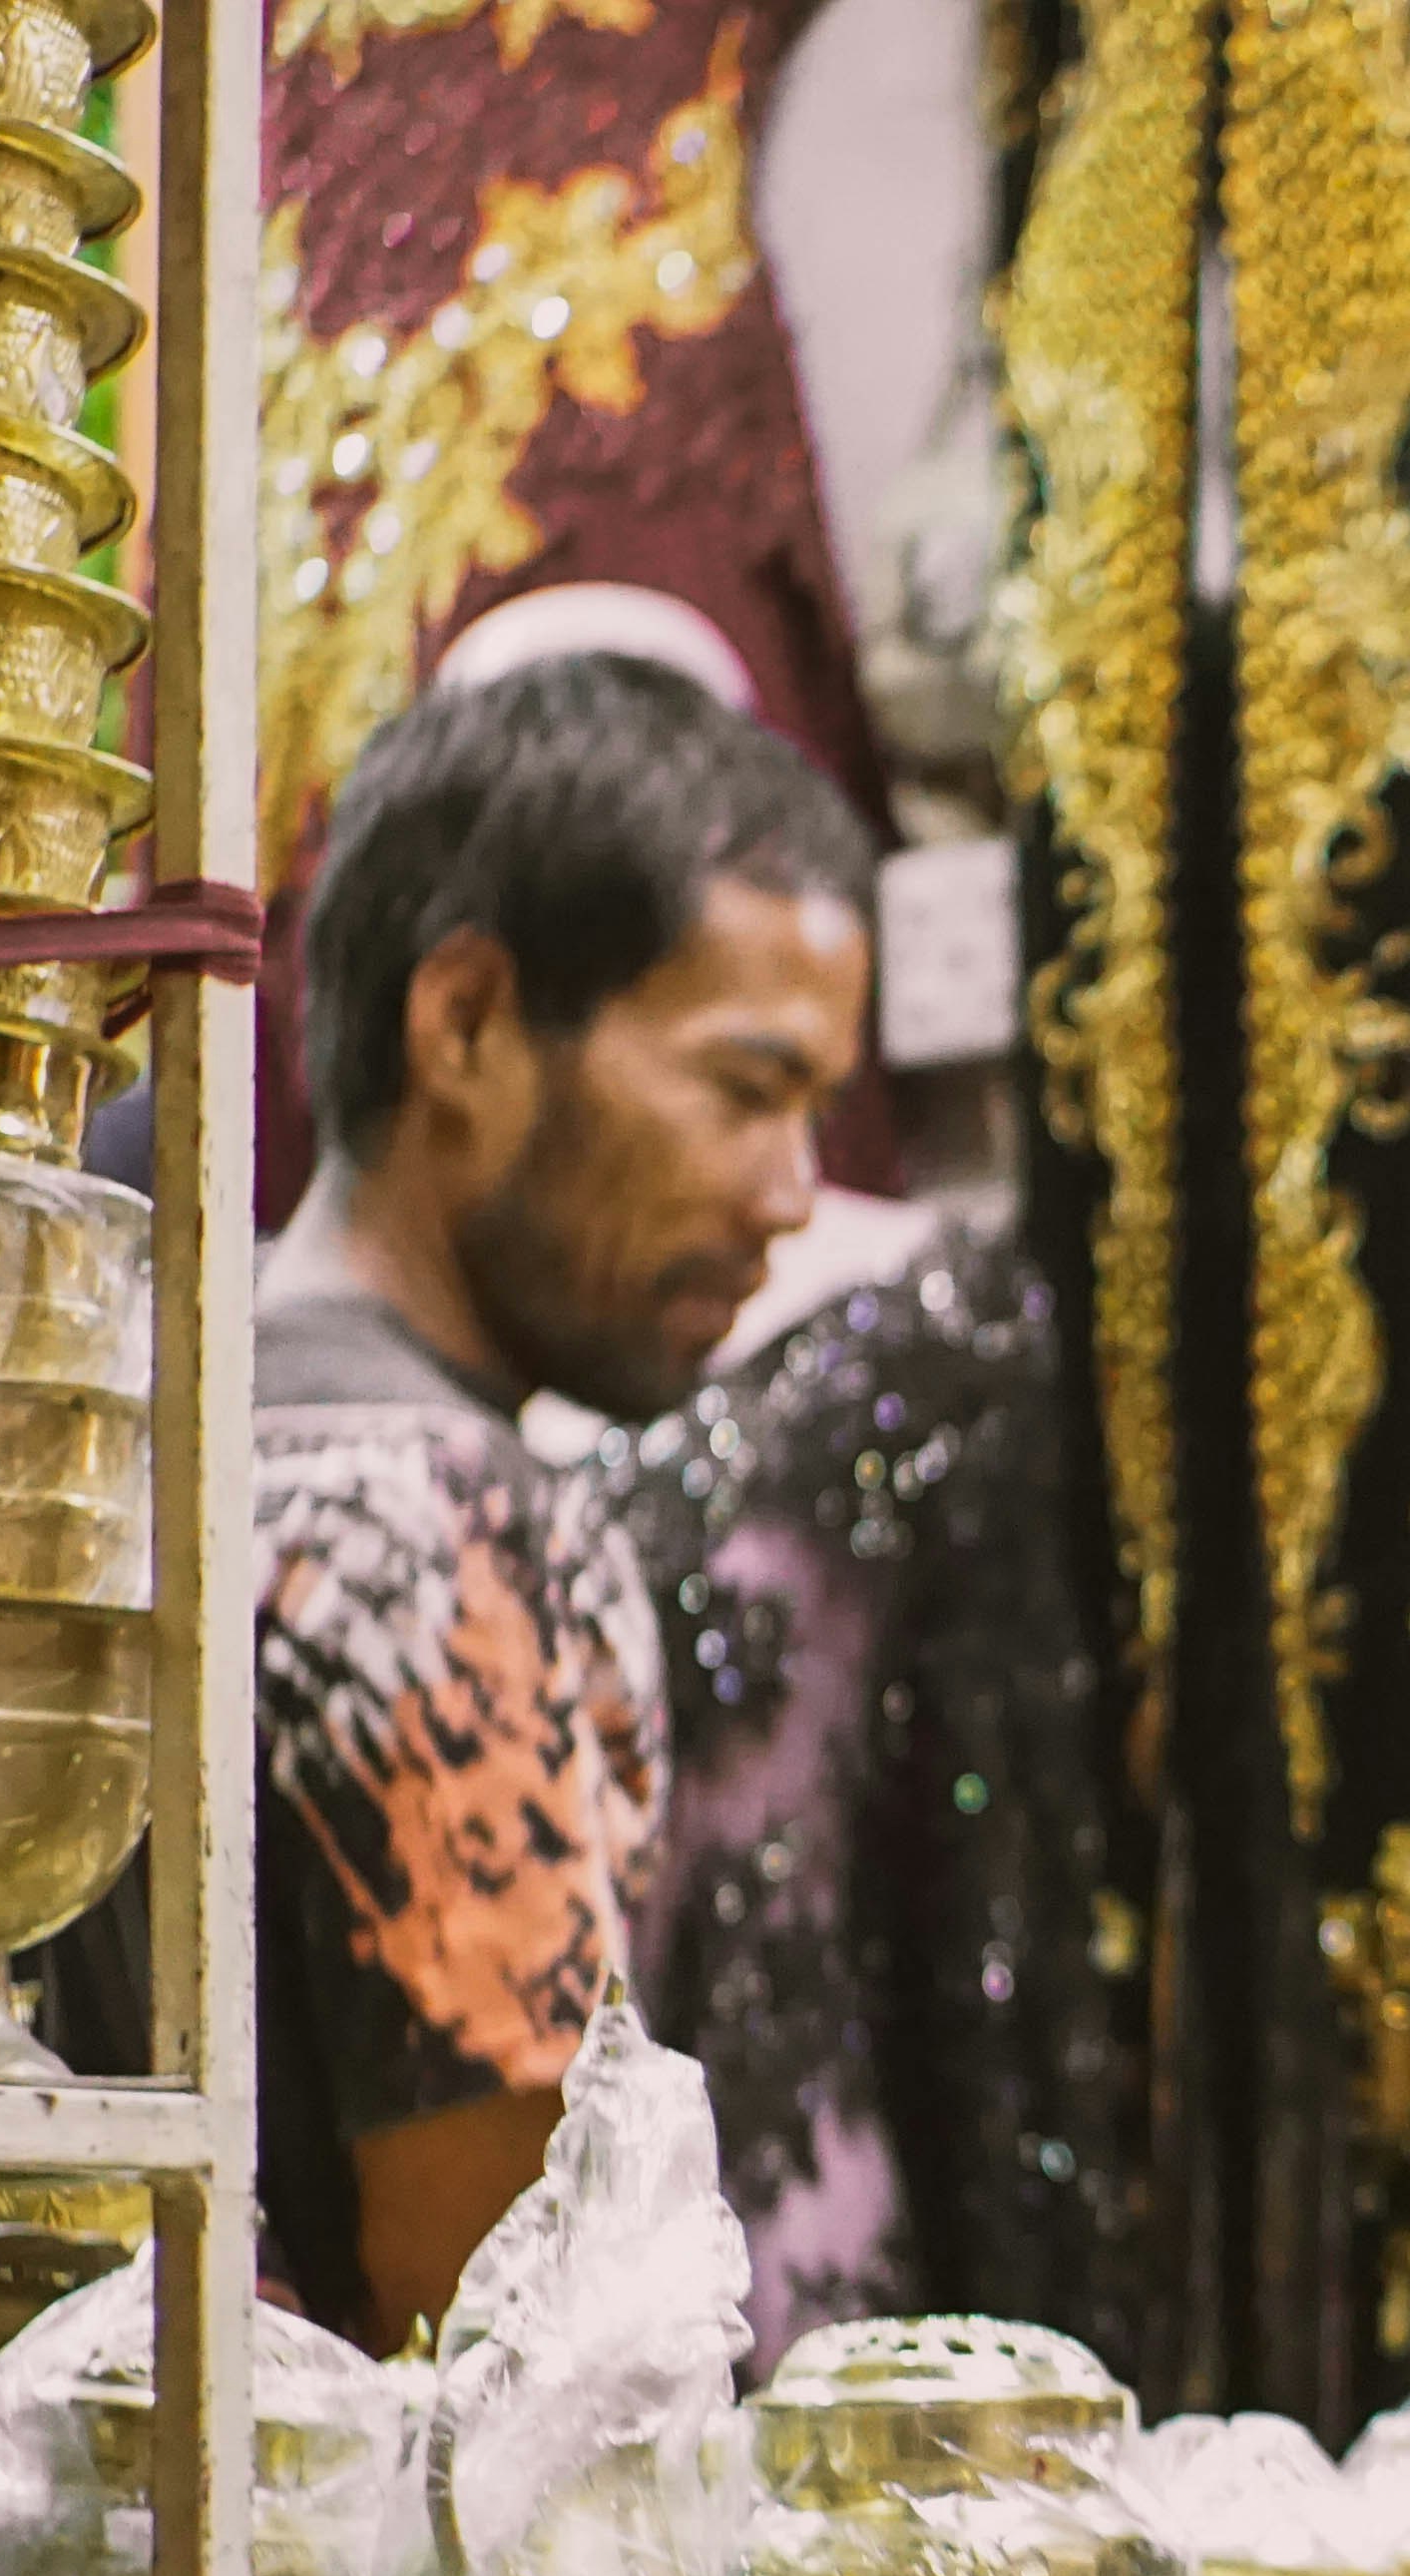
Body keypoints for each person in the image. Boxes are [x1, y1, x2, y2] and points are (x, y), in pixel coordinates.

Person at [240, 651, 874, 2344]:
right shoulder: (446, 1525)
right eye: (745, 1092)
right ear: (464, 1024)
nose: (794, 1196)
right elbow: (513, 2347)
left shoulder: (165, 1411)